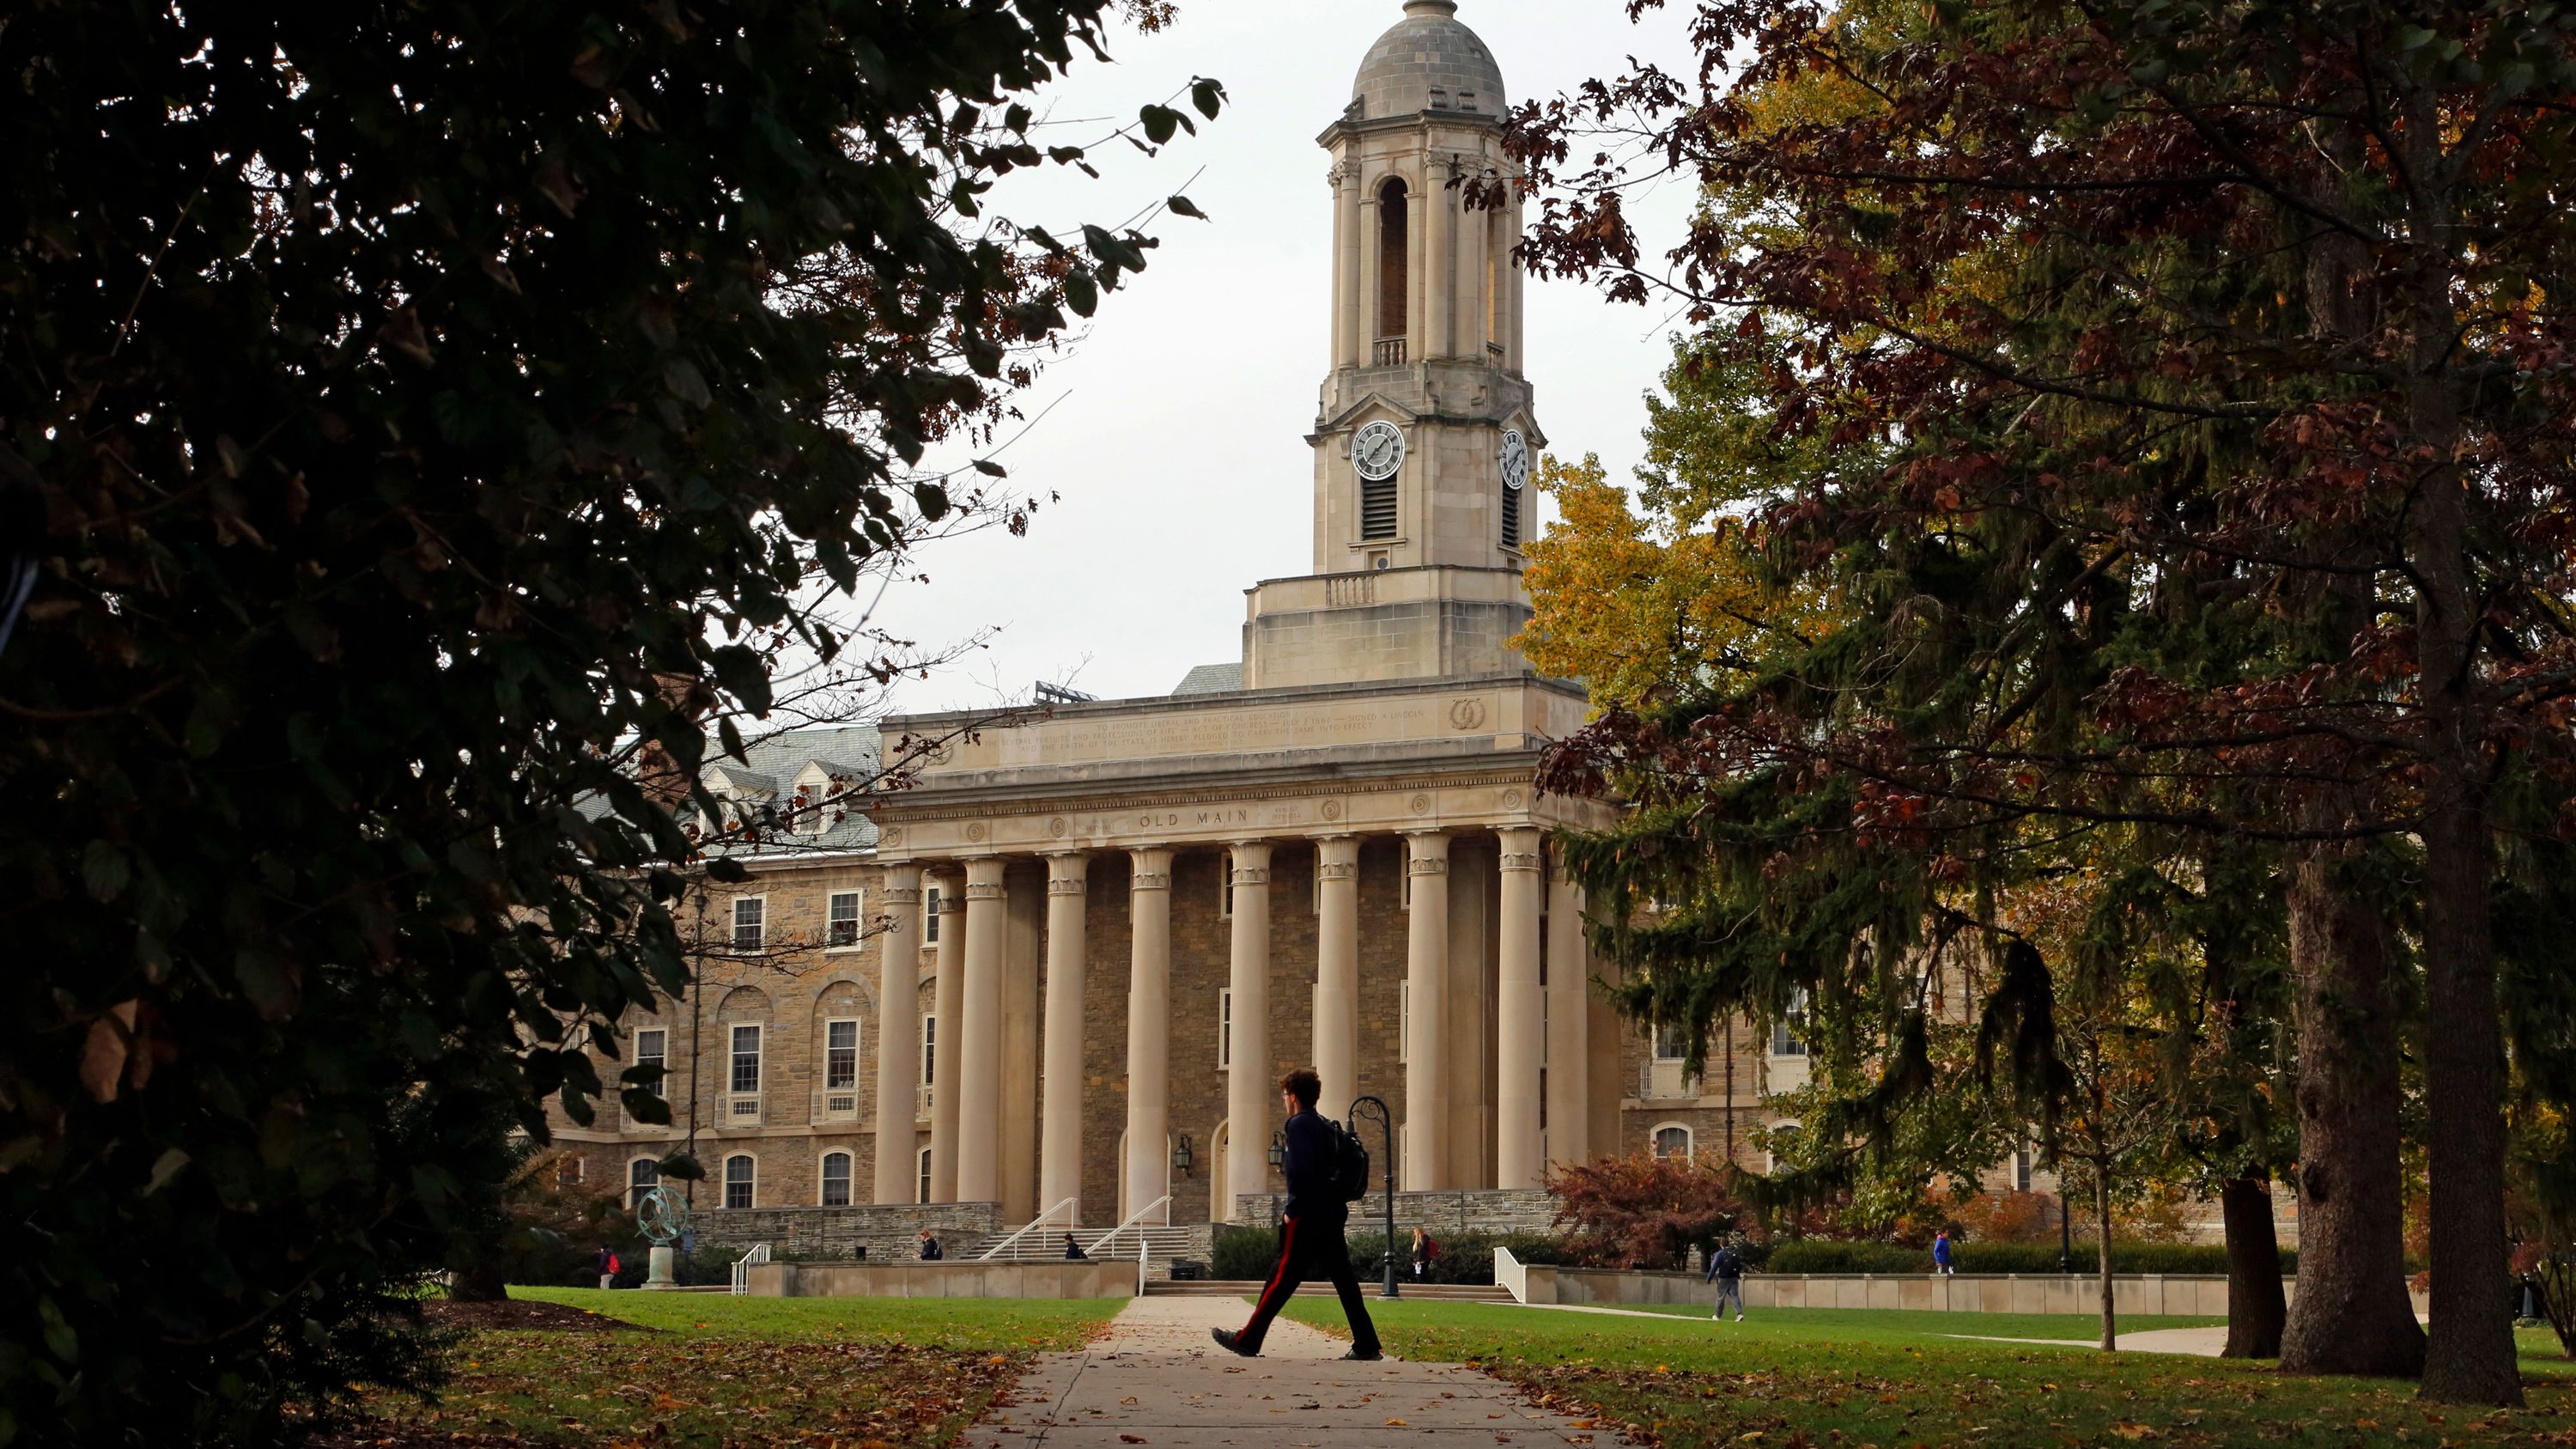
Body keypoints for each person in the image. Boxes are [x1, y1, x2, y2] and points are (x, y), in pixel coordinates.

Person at [1212, 1068, 1382, 1361]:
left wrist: (1292, 1212)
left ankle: (1248, 1339)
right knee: (1342, 1279)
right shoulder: (1323, 1125)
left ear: (1292, 1097)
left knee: (1281, 1278)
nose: (1284, 1101)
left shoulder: (1300, 1125)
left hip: (1308, 1215)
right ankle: (1366, 1343)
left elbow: (1303, 1172)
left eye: (1284, 1095)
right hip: (1330, 1213)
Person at [1704, 1238, 1745, 1322]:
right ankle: (1739, 1313)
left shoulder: (1720, 1254)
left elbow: (1714, 1267)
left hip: (1723, 1278)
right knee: (1735, 1296)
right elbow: (1740, 1265)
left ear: (1721, 1245)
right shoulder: (1734, 1253)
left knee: (1721, 1297)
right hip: (1734, 1278)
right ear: (1728, 1244)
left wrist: (1709, 1278)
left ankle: (1718, 1315)